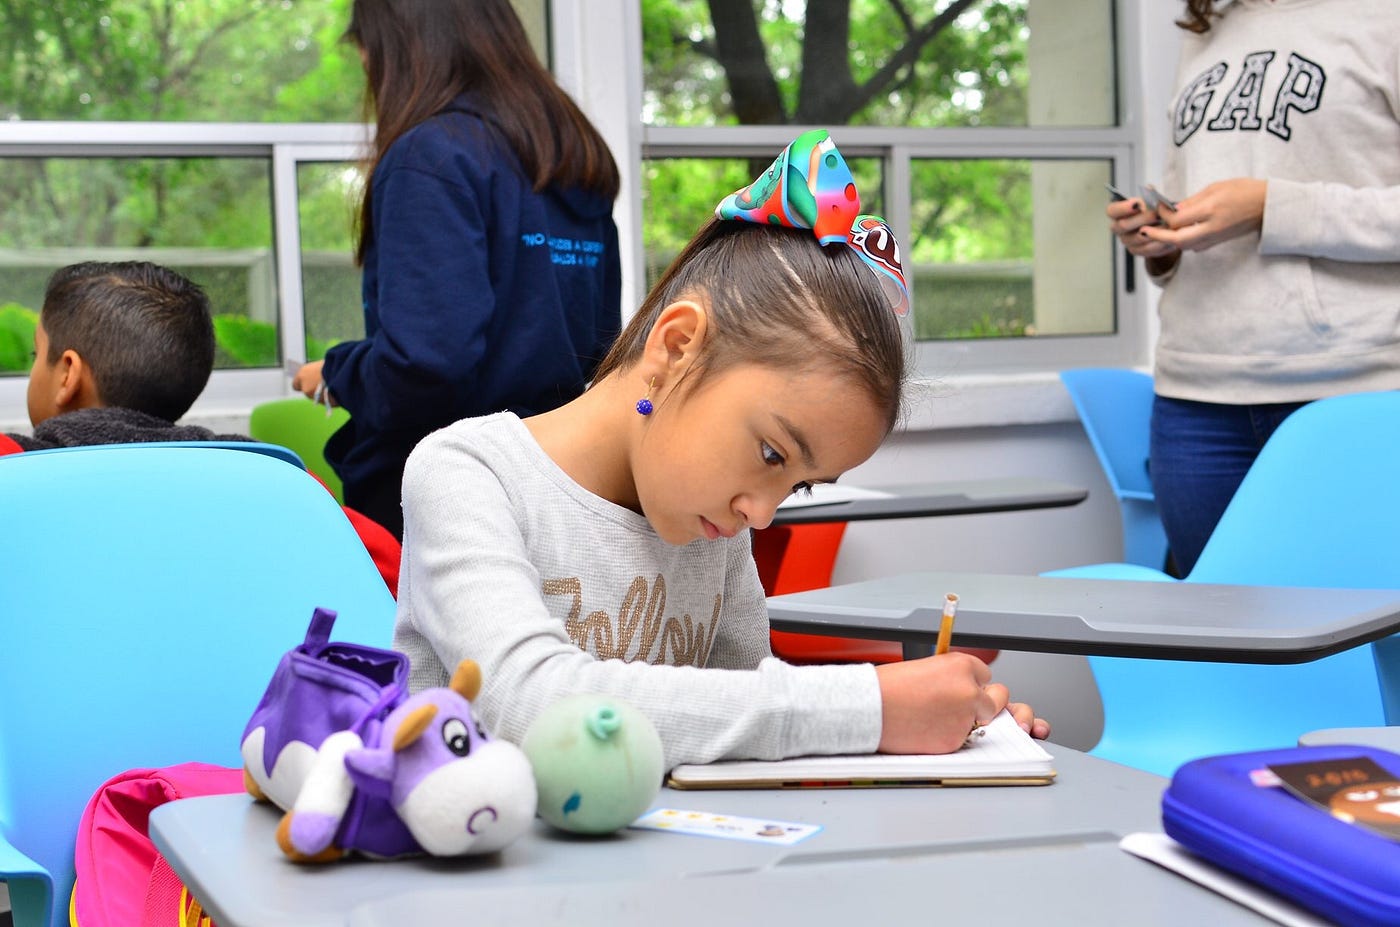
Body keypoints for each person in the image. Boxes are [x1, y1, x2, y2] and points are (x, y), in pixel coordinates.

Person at [392, 130, 1050, 770]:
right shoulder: (468, 473)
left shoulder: (714, 521)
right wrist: (871, 705)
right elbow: (532, 705)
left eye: (798, 485)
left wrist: (941, 723)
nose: (762, 515)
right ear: (678, 347)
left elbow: (750, 716)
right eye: (772, 453)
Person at [292, 0, 623, 540]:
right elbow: (596, 341)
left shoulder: (432, 157)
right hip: (554, 482)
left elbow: (425, 367)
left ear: (398, 46)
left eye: (367, 53)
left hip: (447, 499)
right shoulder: (571, 158)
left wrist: (337, 372)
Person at [1107, 0, 1400, 576]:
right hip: (1195, 400)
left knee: (1362, 644)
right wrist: (1161, 239)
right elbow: (1187, 190)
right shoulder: (1208, 28)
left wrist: (1271, 205)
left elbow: (1261, 200)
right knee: (1226, 644)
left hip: (1354, 391)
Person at [3, 260, 403, 595]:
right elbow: (397, 576)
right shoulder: (279, 482)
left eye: (39, 355)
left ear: (67, 373)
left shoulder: (13, 466)